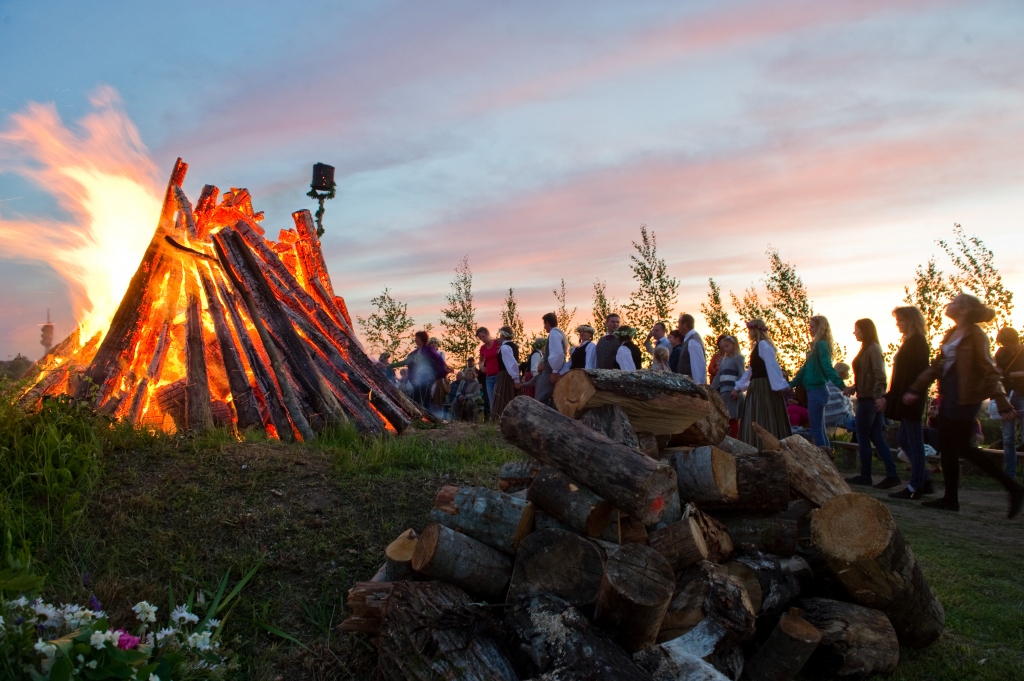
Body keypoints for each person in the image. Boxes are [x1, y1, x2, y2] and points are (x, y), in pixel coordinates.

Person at [903, 293, 1024, 518]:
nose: (950, 303)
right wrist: (915, 388)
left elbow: (989, 369)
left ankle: (1012, 488)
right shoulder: (951, 334)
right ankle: (951, 499)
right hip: (950, 397)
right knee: (950, 448)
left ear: (965, 309)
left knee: (962, 447)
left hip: (966, 398)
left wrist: (1003, 402)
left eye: (955, 302)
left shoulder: (976, 335)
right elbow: (937, 367)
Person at [883, 307, 934, 499]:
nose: (898, 324)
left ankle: (915, 486)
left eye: (901, 320)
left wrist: (913, 392)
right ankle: (924, 479)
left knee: (914, 441)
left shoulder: (918, 343)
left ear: (911, 321)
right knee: (904, 440)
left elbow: (921, 372)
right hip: (905, 398)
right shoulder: (910, 342)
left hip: (912, 399)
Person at [843, 319, 900, 488]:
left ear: (865, 330)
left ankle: (866, 475)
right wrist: (855, 387)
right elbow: (867, 375)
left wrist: (876, 396)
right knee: (876, 436)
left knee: (862, 435)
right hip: (868, 396)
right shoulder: (868, 348)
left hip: (869, 400)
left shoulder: (872, 349)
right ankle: (892, 473)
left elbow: (878, 374)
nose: (855, 333)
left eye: (857, 330)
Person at [790, 315, 845, 448]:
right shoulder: (816, 346)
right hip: (815, 391)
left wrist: (841, 385)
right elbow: (804, 370)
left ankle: (823, 461)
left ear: (821, 328)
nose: (810, 329)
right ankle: (827, 459)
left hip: (817, 390)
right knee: (819, 429)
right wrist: (790, 385)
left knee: (816, 431)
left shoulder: (821, 345)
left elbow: (827, 366)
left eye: (813, 327)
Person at [734, 320, 791, 448]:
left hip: (763, 387)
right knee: (758, 415)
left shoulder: (763, 345)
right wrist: (739, 387)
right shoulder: (759, 346)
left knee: (763, 416)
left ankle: (765, 446)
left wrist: (779, 385)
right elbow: (751, 371)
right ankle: (756, 446)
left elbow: (772, 366)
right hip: (757, 386)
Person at [390, 331, 448, 412]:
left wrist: (434, 376)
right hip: (418, 379)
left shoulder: (429, 351)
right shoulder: (415, 353)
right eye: (415, 338)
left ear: (422, 339)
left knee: (425, 400)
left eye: (417, 338)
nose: (415, 339)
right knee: (415, 398)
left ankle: (431, 419)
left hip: (427, 379)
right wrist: (388, 366)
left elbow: (440, 362)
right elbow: (405, 362)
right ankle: (415, 417)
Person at [995, 327, 1024, 480]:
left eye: (1007, 343)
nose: (1005, 346)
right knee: (1008, 439)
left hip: (1022, 395)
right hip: (1006, 397)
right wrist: (1015, 375)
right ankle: (1010, 475)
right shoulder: (1001, 353)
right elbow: (996, 372)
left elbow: (1003, 374)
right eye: (1003, 343)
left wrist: (1007, 375)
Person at [710, 335, 744, 437]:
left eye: (727, 346)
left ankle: (735, 438)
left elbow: (742, 374)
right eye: (723, 347)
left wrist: (736, 389)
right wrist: (711, 389)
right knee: (726, 416)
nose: (725, 349)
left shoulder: (738, 358)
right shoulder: (724, 361)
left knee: (732, 416)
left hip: (732, 392)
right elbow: (718, 377)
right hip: (723, 392)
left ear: (734, 345)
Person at [535, 313, 568, 406]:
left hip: (550, 370)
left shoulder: (554, 333)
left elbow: (557, 353)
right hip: (553, 369)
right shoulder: (559, 333)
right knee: (553, 399)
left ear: (548, 323)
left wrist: (555, 371)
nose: (544, 327)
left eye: (544, 324)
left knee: (540, 398)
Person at [490, 326, 522, 421]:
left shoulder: (505, 348)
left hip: (506, 376)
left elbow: (511, 364)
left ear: (503, 336)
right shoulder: (512, 346)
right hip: (511, 375)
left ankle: (502, 420)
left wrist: (516, 379)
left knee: (504, 398)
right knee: (510, 397)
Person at [675, 313, 707, 384]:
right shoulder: (691, 339)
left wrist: (698, 387)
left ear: (685, 325)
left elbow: (697, 366)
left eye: (679, 324)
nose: (678, 326)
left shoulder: (692, 341)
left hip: (692, 387)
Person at [477, 327, 502, 409]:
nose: (482, 339)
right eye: (480, 338)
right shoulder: (482, 348)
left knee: (499, 398)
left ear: (488, 333)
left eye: (483, 336)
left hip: (499, 375)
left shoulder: (498, 342)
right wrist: (481, 366)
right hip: (489, 376)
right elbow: (481, 361)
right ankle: (493, 419)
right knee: (491, 400)